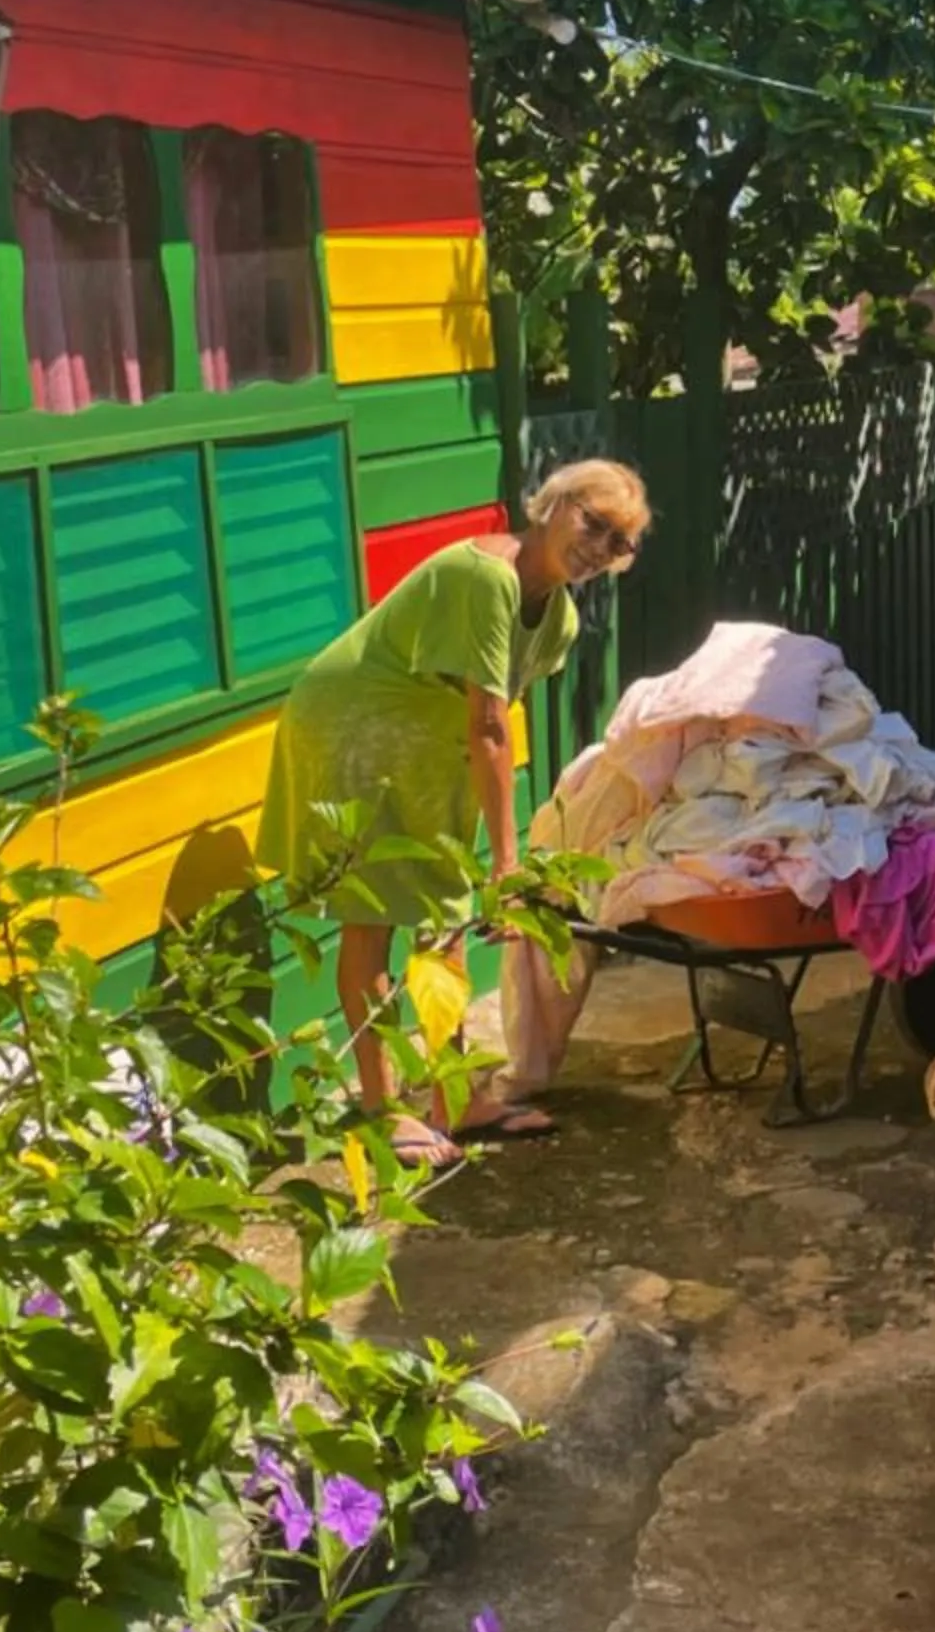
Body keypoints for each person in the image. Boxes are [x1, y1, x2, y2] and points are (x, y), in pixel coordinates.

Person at [256, 458, 649, 1165]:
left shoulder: (556, 617)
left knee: (446, 915)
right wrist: (506, 862)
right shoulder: (486, 578)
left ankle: (454, 1097)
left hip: (427, 741)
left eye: (618, 541)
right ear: (552, 505)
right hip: (356, 726)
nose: (598, 546)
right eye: (592, 521)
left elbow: (492, 728)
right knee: (372, 915)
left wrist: (489, 857)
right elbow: (488, 727)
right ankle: (380, 1112)